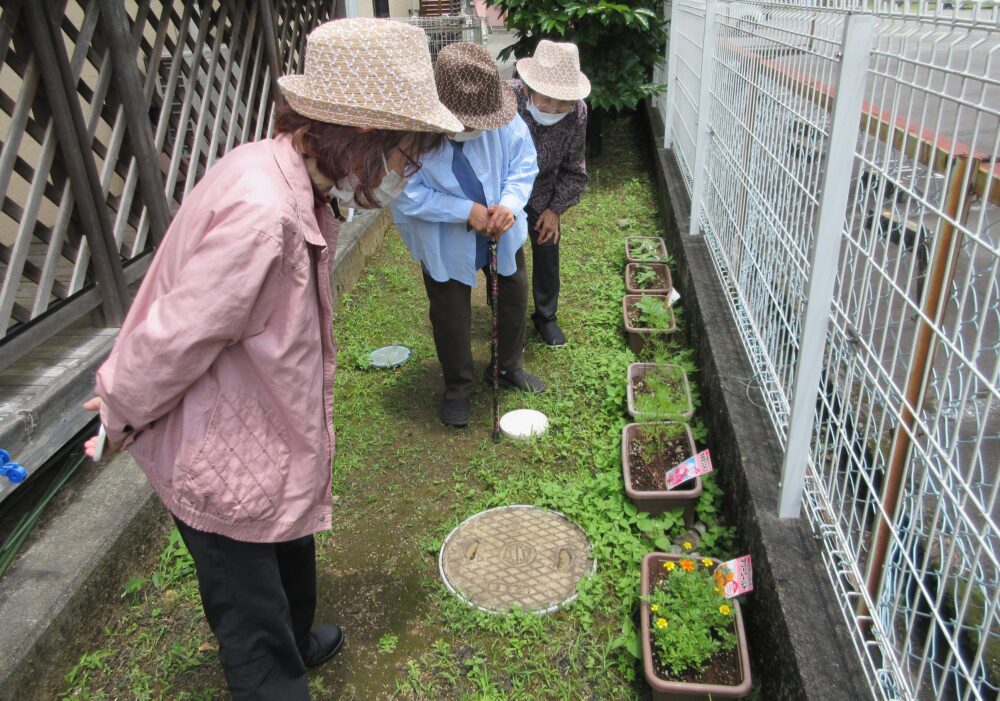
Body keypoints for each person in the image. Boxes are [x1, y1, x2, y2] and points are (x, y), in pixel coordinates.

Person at [81, 19, 461, 700]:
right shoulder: (266, 214)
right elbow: (175, 331)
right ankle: (275, 673)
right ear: (361, 138)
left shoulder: (294, 174)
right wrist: (120, 406)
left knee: (288, 553)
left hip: (261, 427)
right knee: (250, 611)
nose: (410, 170)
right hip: (219, 454)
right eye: (407, 153)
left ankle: (299, 635)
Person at [390, 42, 541, 429]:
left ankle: (507, 366)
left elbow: (523, 165)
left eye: (480, 120)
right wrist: (464, 211)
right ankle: (457, 386)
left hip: (500, 227)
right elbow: (405, 193)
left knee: (512, 291)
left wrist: (508, 202)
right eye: (465, 121)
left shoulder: (504, 118)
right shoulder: (412, 135)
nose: (474, 128)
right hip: (444, 236)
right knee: (450, 310)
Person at [510, 39, 591, 347]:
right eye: (547, 100)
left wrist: (554, 211)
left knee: (547, 246)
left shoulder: (578, 113)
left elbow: (574, 169)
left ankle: (546, 316)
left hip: (543, 190)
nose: (555, 109)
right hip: (504, 187)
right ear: (529, 87)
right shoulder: (508, 97)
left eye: (563, 103)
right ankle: (505, 310)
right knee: (503, 252)